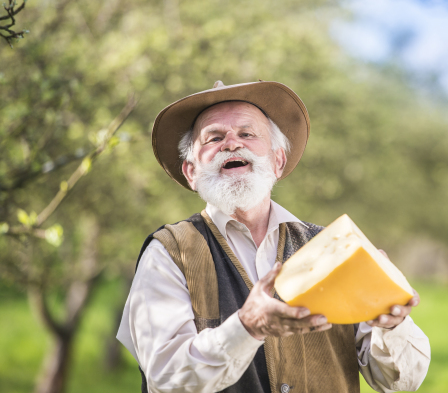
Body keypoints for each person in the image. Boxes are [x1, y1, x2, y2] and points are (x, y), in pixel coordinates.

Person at [117, 80, 431, 393]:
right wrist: (246, 327)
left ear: (277, 161)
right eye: (214, 138)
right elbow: (167, 378)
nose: (231, 144)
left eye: (247, 134)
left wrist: (391, 324)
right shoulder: (168, 254)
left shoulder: (331, 247)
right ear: (191, 171)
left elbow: (401, 382)